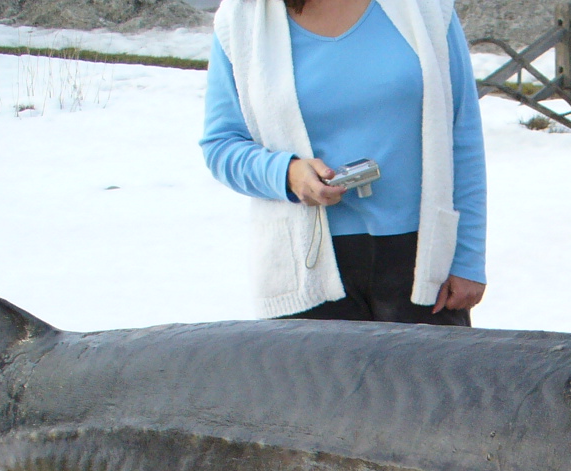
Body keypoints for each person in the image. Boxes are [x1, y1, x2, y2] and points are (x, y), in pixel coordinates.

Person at [201, 0, 486, 325]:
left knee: (426, 378)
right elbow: (221, 144)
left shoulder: (427, 9)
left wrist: (468, 260)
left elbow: (462, 136)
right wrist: (288, 174)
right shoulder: (242, 19)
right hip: (306, 265)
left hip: (422, 260)